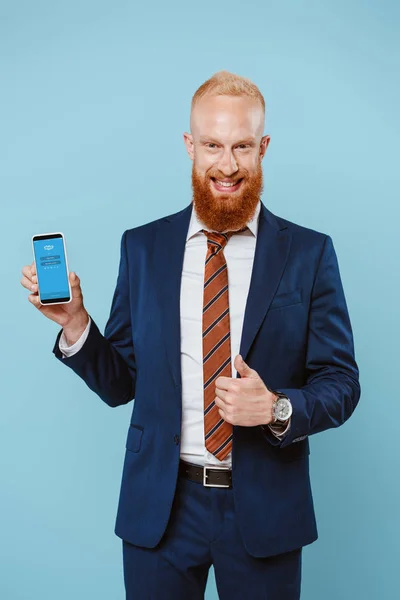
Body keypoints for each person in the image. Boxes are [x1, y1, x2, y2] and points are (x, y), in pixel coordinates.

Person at [21, 70, 360, 600]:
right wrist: (75, 324)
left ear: (263, 148)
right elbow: (121, 384)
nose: (226, 165)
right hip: (162, 506)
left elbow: (342, 382)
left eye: (242, 146)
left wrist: (275, 408)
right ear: (190, 146)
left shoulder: (310, 254)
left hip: (265, 510)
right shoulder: (143, 247)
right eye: (212, 145)